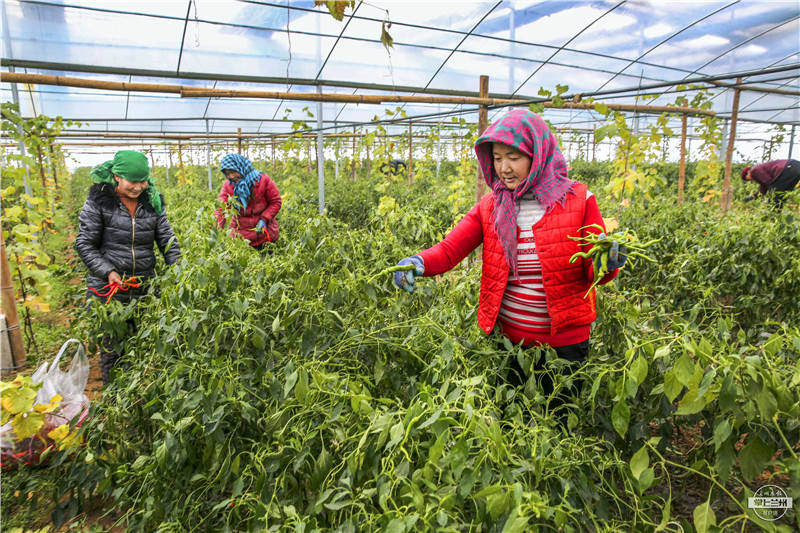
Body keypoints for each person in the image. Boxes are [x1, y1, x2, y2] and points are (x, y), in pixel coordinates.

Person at [392, 109, 626, 419]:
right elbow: (451, 249)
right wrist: (419, 262)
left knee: (559, 428)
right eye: (498, 158)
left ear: (537, 153)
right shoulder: (491, 205)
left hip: (565, 348)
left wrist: (608, 262)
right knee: (514, 428)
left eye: (513, 157)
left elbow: (593, 272)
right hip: (510, 346)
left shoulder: (579, 199)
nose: (504, 168)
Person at [75, 150, 181, 383]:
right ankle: (114, 399)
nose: (139, 187)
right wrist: (108, 271)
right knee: (112, 348)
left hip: (143, 287)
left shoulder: (152, 203)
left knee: (141, 344)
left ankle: (136, 397)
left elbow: (168, 241)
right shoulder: (99, 203)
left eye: (143, 181)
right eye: (133, 181)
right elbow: (84, 244)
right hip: (108, 290)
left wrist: (179, 271)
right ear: (116, 177)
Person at [215, 153, 282, 250]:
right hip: (240, 236)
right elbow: (222, 208)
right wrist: (215, 229)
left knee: (266, 260)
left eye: (233, 172)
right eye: (227, 174)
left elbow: (276, 202)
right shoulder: (228, 186)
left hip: (265, 233)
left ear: (240, 167)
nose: (231, 176)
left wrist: (264, 219)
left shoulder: (262, 180)